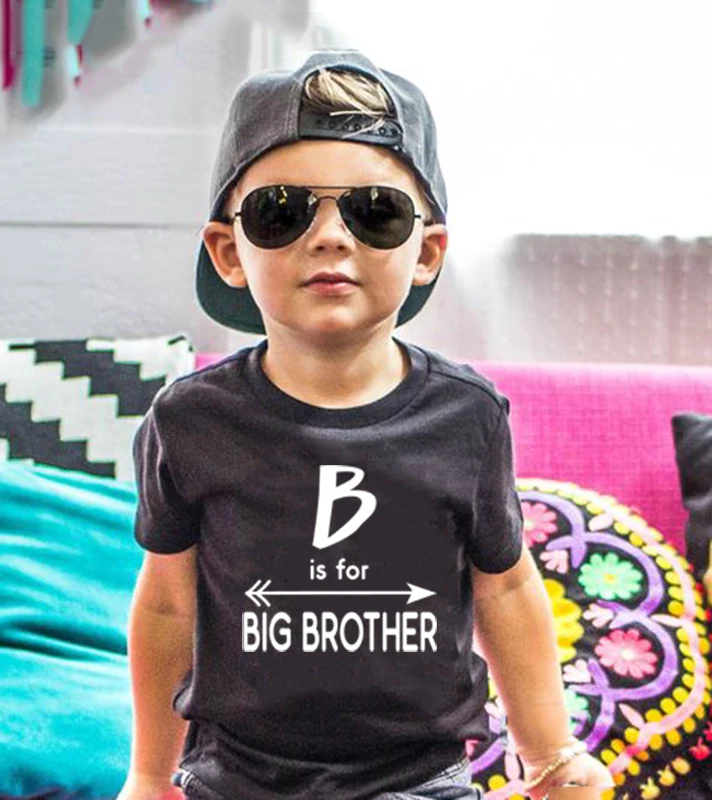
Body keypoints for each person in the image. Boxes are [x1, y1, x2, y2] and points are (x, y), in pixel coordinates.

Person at [118, 50, 615, 800]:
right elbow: (165, 603)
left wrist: (548, 752)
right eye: (281, 211)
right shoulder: (190, 420)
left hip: (419, 778)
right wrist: (149, 776)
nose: (329, 236)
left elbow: (507, 589)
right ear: (228, 251)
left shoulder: (468, 415)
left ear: (427, 251)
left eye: (375, 211)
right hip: (236, 777)